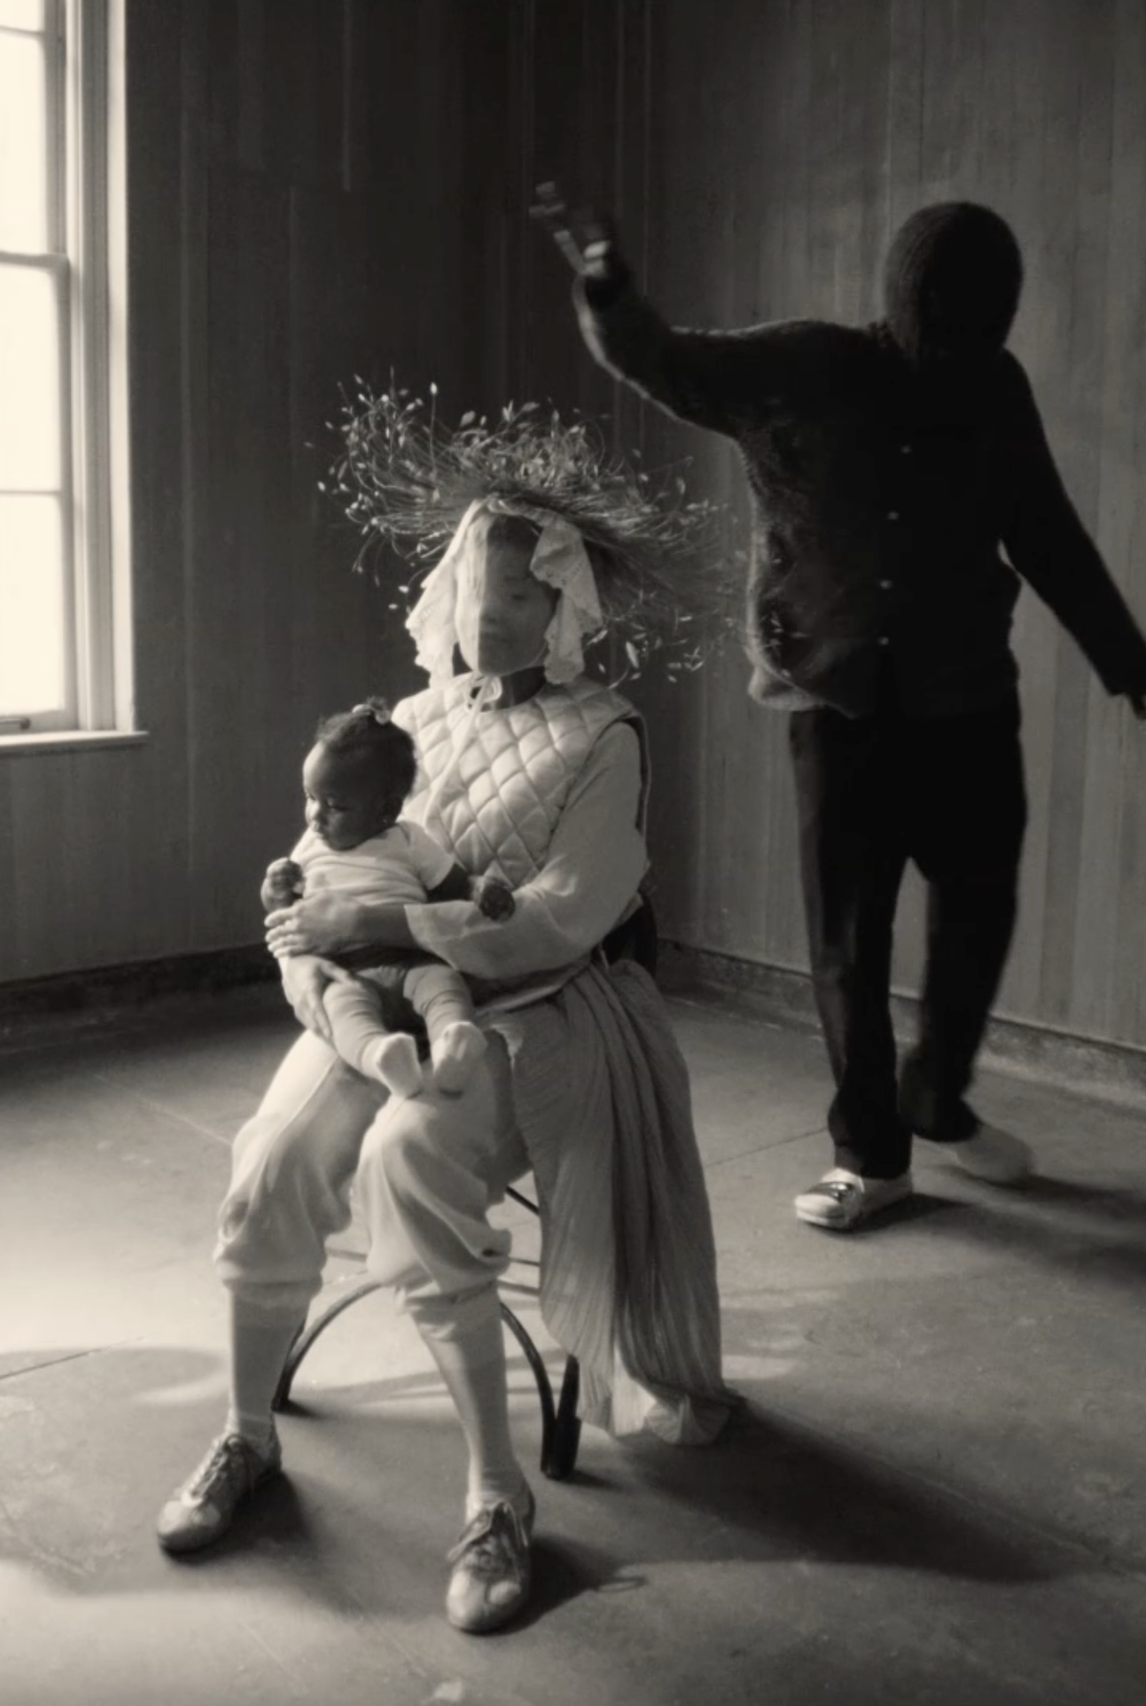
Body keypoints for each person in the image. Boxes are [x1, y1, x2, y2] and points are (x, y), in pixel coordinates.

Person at [155, 399, 733, 1636]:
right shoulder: (408, 722)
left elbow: (564, 914)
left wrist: (388, 925)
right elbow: (321, 868)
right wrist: (301, 927)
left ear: (566, 600)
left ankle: (495, 1492)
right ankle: (247, 1430)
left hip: (544, 1002)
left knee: (409, 1155)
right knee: (270, 1160)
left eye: (520, 590)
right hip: (379, 1001)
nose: (489, 610)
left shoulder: (604, 734)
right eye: (476, 584)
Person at [539, 187, 1146, 1235]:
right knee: (850, 941)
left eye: (984, 322)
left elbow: (1043, 527)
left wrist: (1127, 661)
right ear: (903, 299)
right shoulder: (809, 363)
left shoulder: (996, 387)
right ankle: (871, 1154)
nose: (962, 342)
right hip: (837, 704)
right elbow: (671, 364)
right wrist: (608, 288)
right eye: (945, 317)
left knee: (979, 911)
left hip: (969, 696)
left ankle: (937, 1097)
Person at [266, 700, 518, 1100]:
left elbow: (455, 884)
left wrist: (480, 889)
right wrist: (274, 888)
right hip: (347, 970)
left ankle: (454, 1044)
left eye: (335, 806)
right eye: (310, 796)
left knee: (445, 985)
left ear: (387, 811)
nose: (315, 815)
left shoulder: (408, 840)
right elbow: (284, 913)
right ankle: (381, 1056)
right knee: (340, 1011)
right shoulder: (310, 846)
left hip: (410, 955)